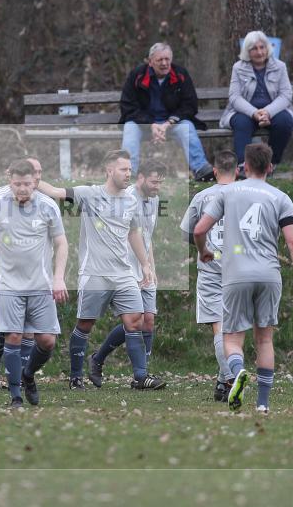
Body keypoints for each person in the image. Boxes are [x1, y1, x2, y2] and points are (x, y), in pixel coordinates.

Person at [193, 143, 293, 413]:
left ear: (243, 167)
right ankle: (262, 404)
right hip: (269, 275)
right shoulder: (281, 197)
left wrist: (204, 251)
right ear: (270, 167)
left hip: (236, 275)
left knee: (233, 339)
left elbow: (200, 229)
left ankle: (237, 373)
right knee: (265, 340)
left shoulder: (229, 192)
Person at [39, 149, 165, 391]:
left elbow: (134, 232)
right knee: (85, 325)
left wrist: (146, 265)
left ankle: (140, 376)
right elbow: (56, 192)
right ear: (109, 170)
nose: (128, 174)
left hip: (124, 274)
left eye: (130, 169)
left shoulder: (131, 200)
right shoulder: (90, 193)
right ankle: (76, 376)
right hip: (95, 274)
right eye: (123, 169)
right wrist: (34, 182)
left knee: (135, 321)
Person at [0, 159, 68, 408]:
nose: (22, 189)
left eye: (27, 184)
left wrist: (58, 277)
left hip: (40, 285)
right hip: (9, 285)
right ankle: (16, 396)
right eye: (17, 184)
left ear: (34, 182)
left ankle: (28, 374)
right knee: (14, 337)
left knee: (47, 341)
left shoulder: (48, 206)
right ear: (10, 181)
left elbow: (61, 243)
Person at [87, 159, 165, 387]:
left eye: (160, 183)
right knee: (136, 321)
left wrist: (151, 266)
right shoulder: (125, 198)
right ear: (140, 178)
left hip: (143, 268)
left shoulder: (154, 199)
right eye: (153, 182)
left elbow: (147, 237)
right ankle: (103, 361)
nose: (156, 187)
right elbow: (126, 235)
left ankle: (141, 372)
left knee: (148, 321)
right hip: (124, 269)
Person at [179, 150, 238, 401]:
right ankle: (223, 381)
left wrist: (203, 248)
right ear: (237, 170)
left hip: (212, 268)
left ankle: (230, 379)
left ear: (214, 172)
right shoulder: (248, 196)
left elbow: (186, 232)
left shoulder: (203, 197)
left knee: (219, 327)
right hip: (242, 269)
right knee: (235, 331)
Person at [0, 156, 43, 390]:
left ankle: (21, 376)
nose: (36, 176)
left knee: (29, 328)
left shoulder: (43, 201)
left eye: (39, 172)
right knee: (10, 324)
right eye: (32, 171)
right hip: (6, 270)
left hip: (35, 272)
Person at [119, 42, 214, 181]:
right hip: (143, 125)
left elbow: (190, 105)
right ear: (150, 62)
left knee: (187, 128)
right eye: (160, 60)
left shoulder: (180, 74)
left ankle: (201, 170)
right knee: (129, 128)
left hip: (172, 124)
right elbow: (128, 106)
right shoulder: (137, 75)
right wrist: (151, 124)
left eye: (167, 59)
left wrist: (169, 122)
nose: (164, 63)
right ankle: (129, 174)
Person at [221, 31, 293, 176]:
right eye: (254, 48)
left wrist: (267, 112)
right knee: (241, 123)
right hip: (246, 112)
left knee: (285, 121)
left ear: (267, 48)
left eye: (262, 47)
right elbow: (235, 97)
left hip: (273, 112)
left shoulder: (280, 66)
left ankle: (269, 164)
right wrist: (255, 113)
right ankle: (244, 167)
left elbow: (286, 95)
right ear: (247, 51)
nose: (259, 52)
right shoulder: (238, 67)